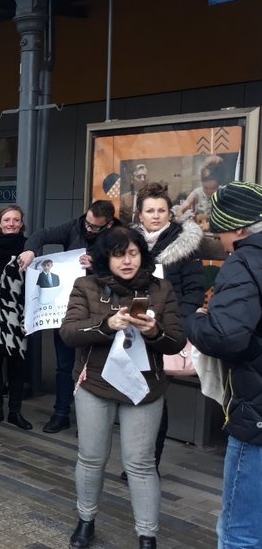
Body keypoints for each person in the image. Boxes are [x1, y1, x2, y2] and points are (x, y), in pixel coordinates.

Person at [60, 227, 184, 549]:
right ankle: (85, 520)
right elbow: (69, 333)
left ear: (142, 255)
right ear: (106, 257)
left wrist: (156, 331)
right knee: (91, 458)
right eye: (118, 254)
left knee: (140, 463)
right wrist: (106, 324)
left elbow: (176, 342)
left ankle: (147, 535)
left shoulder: (161, 289)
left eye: (133, 253)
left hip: (144, 388)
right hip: (96, 384)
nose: (127, 261)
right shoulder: (86, 286)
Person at [184, 181, 262, 548]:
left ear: (241, 229)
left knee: (240, 532)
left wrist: (194, 319)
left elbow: (227, 336)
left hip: (257, 418)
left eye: (221, 233)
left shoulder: (245, 261)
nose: (223, 243)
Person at [18, 199, 122, 433]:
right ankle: (61, 413)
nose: (88, 229)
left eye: (95, 227)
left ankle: (94, 420)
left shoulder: (120, 237)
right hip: (69, 308)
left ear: (109, 224)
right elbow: (42, 234)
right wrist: (30, 250)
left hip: (102, 310)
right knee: (64, 364)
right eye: (87, 222)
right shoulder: (75, 227)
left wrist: (99, 265)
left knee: (97, 363)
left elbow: (127, 273)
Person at [129, 183, 205, 479]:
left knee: (154, 398)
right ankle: (136, 460)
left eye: (162, 210)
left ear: (170, 214)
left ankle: (149, 463)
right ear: (140, 214)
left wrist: (177, 327)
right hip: (133, 331)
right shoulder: (130, 242)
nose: (156, 216)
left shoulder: (183, 245)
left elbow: (195, 290)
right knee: (134, 396)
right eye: (150, 211)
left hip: (165, 334)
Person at [0, 205, 32, 430]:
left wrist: (30, 315)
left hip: (17, 313)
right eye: (7, 220)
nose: (11, 224)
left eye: (16, 220)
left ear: (21, 223)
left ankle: (15, 412)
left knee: (17, 363)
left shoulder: (29, 248)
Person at [176, 155, 223, 223]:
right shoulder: (197, 193)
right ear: (201, 183)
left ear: (218, 185)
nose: (209, 191)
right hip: (198, 228)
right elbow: (182, 208)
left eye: (213, 188)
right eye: (206, 188)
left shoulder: (223, 192)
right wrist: (181, 217)